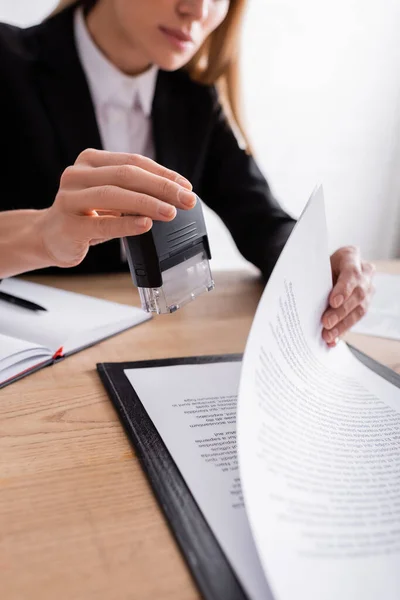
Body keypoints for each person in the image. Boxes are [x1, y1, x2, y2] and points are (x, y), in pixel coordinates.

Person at [0, 0, 374, 346]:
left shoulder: (193, 97)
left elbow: (262, 222)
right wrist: (42, 234)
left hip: (142, 345)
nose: (197, 10)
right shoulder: (8, 63)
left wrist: (318, 267)